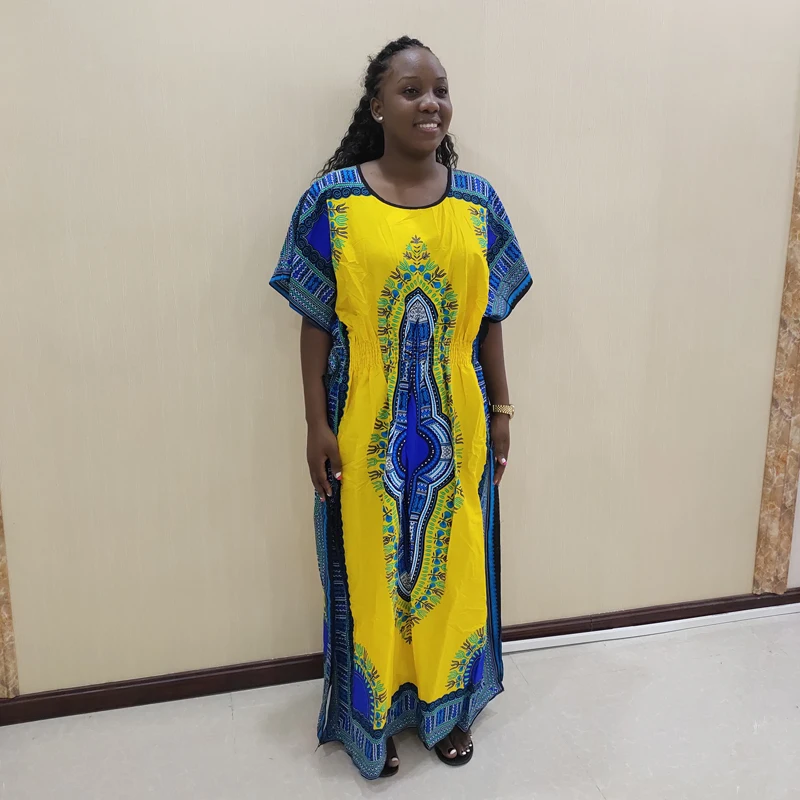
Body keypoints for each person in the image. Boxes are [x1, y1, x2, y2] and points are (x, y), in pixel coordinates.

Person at [270, 35, 531, 781]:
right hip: (364, 425)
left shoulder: (478, 204)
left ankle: (448, 709)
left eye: (440, 89)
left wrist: (503, 410)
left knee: (456, 570)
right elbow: (316, 321)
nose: (431, 103)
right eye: (412, 90)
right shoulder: (333, 202)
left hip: (460, 426)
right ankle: (374, 716)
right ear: (377, 106)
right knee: (372, 572)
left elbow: (490, 319)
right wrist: (315, 424)